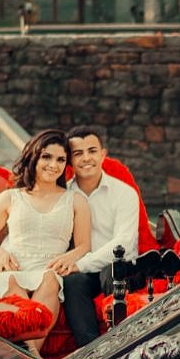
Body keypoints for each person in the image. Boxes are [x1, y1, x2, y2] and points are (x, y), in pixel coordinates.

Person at [0, 129, 91, 358]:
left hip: (48, 269)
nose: (53, 165)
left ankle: (28, 357)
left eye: (60, 160)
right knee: (12, 282)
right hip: (13, 267)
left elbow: (84, 245)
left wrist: (69, 257)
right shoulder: (10, 197)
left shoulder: (76, 200)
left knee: (50, 281)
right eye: (46, 157)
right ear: (34, 157)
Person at [61, 125, 140, 347]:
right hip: (82, 272)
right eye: (78, 153)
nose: (86, 158)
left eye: (92, 151)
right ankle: (91, 351)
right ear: (70, 161)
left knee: (111, 272)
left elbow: (123, 244)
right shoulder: (64, 195)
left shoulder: (124, 193)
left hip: (122, 266)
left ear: (103, 154)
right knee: (72, 281)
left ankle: (122, 345)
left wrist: (81, 264)